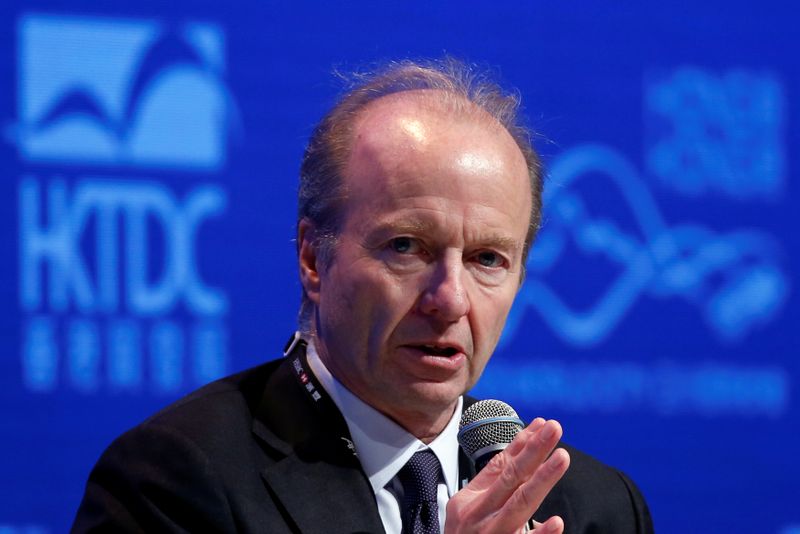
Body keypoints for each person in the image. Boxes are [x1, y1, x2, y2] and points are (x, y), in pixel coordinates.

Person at [72, 59, 654, 533]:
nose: (450, 299)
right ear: (313, 259)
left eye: (487, 259)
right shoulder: (176, 482)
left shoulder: (594, 510)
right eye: (406, 246)